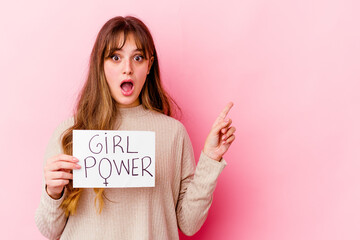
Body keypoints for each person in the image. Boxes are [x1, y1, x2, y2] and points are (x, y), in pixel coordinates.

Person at [35, 16, 236, 240]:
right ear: (100, 64)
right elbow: (49, 230)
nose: (127, 69)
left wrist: (210, 158)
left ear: (149, 65)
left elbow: (189, 224)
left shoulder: (173, 134)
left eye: (137, 58)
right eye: (115, 57)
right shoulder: (71, 132)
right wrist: (53, 192)